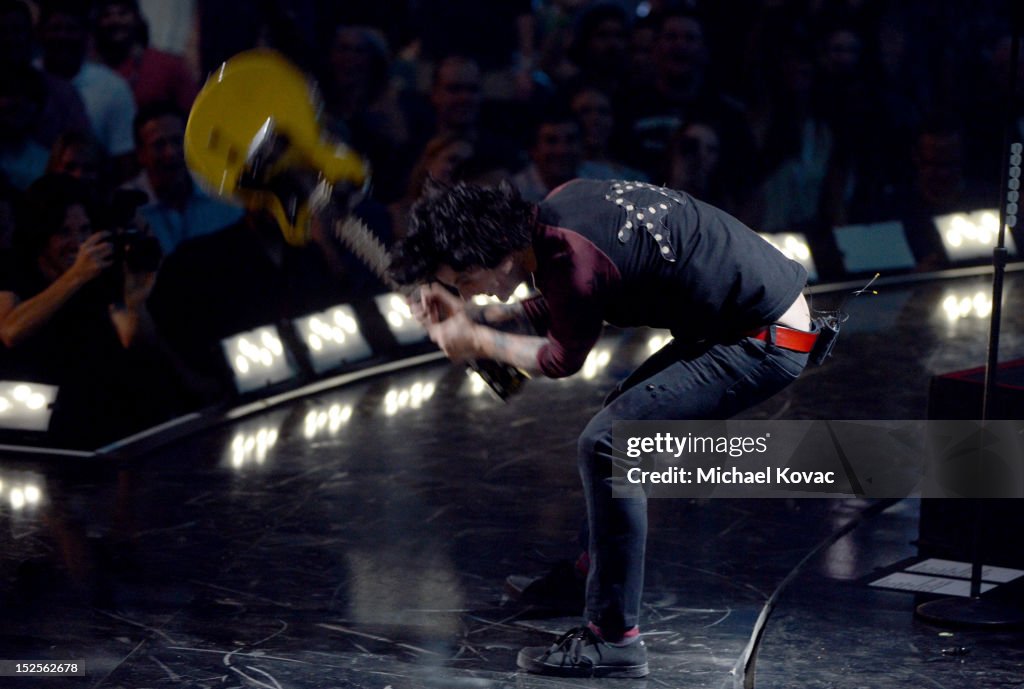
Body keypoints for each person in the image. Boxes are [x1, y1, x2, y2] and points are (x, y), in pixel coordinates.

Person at [391, 179, 815, 678]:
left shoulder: (570, 256)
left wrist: (479, 339)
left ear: (498, 251)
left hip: (766, 338)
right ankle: (589, 577)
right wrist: (482, 317)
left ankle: (614, 638)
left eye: (464, 278)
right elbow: (572, 301)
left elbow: (561, 356)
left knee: (611, 444)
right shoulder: (558, 215)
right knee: (619, 422)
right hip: (748, 322)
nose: (464, 290)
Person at [124, 102, 242, 255]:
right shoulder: (129, 208)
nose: (171, 152)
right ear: (140, 154)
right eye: (159, 144)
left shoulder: (221, 195)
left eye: (177, 141)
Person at [92, 0, 199, 112]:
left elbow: (193, 114)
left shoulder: (168, 66)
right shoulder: (88, 71)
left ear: (137, 19)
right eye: (107, 15)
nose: (115, 20)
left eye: (122, 13)